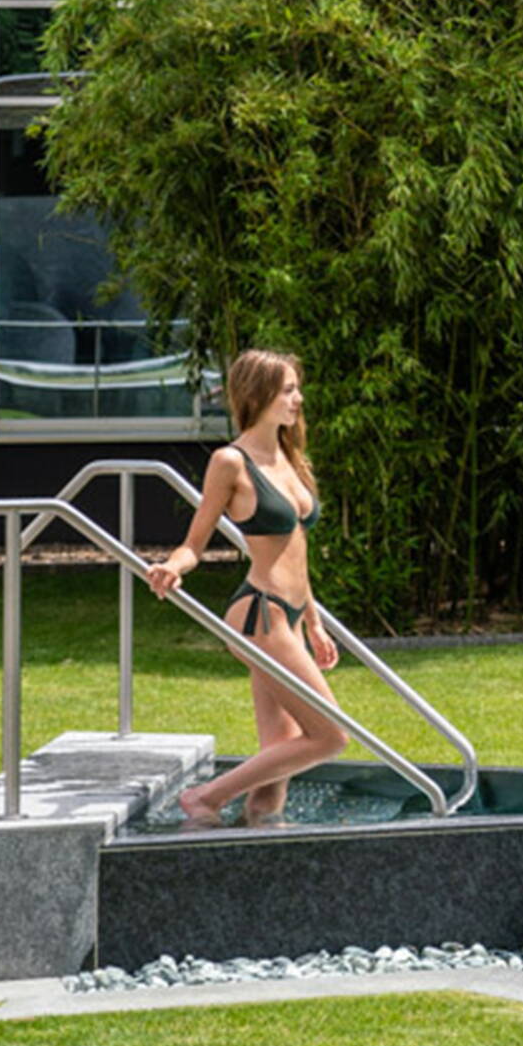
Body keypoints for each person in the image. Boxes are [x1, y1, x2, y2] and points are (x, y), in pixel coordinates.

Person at [146, 349, 347, 825]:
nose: (298, 399)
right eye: (288, 390)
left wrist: (315, 624)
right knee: (331, 734)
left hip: (293, 619)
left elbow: (295, 553)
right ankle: (206, 798)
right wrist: (173, 567)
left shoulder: (291, 458)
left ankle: (257, 837)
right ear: (258, 395)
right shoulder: (230, 462)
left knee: (278, 762)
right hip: (260, 615)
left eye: (297, 388)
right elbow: (195, 542)